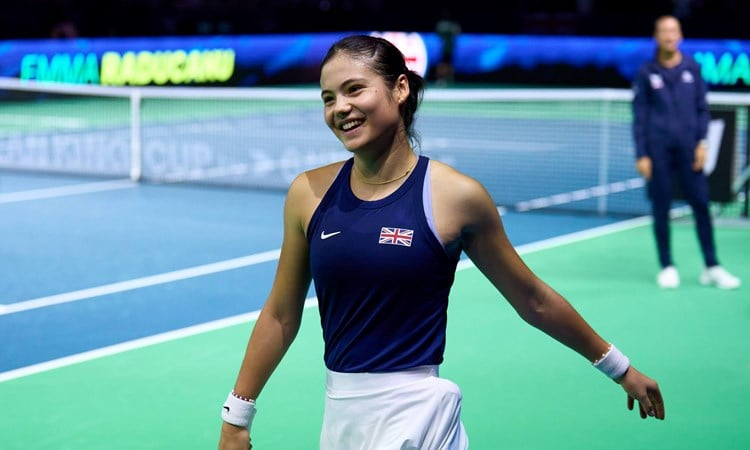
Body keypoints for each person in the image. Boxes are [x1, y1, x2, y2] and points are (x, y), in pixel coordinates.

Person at [218, 34, 665, 450]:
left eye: (355, 89)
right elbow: (280, 315)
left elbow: (534, 300)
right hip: (342, 419)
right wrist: (237, 415)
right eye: (328, 98)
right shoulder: (308, 194)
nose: (340, 108)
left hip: (421, 415)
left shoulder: (456, 197)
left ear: (399, 89)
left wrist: (619, 368)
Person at [632, 15, 741, 290]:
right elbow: (640, 117)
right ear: (657, 36)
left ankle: (711, 265)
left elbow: (702, 109)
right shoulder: (647, 73)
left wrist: (702, 143)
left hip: (690, 152)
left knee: (701, 206)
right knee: (661, 208)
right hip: (657, 154)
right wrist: (642, 154)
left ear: (680, 36)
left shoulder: (693, 68)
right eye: (664, 31)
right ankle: (667, 266)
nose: (669, 36)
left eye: (674, 31)